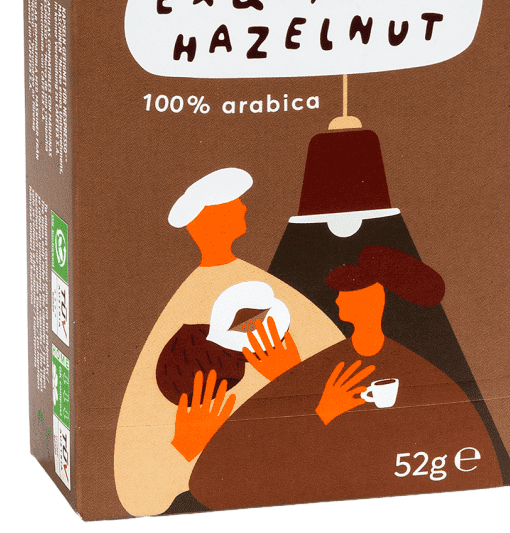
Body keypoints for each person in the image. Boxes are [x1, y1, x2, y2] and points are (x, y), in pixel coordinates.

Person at [189, 246, 506, 509]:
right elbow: (211, 480)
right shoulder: (321, 366)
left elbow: (479, 465)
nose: (338, 299)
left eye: (349, 291)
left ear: (375, 299)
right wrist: (319, 411)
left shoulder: (418, 372)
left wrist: (320, 412)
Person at [113, 167, 343, 517]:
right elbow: (139, 494)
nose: (244, 207)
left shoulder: (259, 287)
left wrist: (291, 376)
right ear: (210, 219)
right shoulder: (188, 309)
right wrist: (184, 447)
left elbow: (341, 376)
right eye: (233, 202)